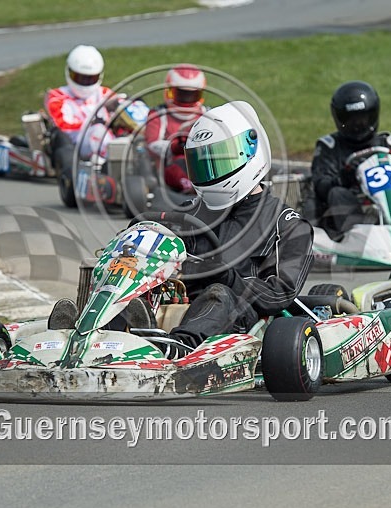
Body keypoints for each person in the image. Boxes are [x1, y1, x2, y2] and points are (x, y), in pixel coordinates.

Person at [47, 101, 315, 357]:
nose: (210, 173)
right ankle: (92, 336)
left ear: (250, 152)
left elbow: (279, 294)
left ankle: (179, 347)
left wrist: (226, 275)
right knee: (129, 274)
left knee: (218, 294)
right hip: (176, 303)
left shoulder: (287, 224)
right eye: (203, 164)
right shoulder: (188, 212)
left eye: (218, 162)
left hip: (237, 317)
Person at [304, 80, 391, 239]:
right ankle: (357, 238)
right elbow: (320, 184)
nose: (358, 125)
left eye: (363, 118)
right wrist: (344, 178)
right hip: (353, 211)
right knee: (337, 193)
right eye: (351, 120)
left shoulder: (389, 143)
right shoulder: (330, 146)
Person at [44, 45, 120, 174]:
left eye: (91, 78)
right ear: (69, 72)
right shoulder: (57, 96)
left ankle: (121, 156)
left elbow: (123, 107)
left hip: (104, 138)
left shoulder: (105, 94)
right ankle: (111, 159)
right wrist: (92, 123)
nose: (85, 82)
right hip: (74, 142)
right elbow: (62, 125)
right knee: (97, 131)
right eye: (80, 77)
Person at [143, 64, 208, 194]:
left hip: (203, 161)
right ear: (170, 91)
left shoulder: (207, 114)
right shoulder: (158, 114)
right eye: (181, 94)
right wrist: (175, 147)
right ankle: (189, 187)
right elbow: (152, 144)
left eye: (191, 95)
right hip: (170, 165)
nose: (187, 99)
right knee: (178, 164)